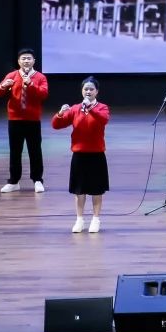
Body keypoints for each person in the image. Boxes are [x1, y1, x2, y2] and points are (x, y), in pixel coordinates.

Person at [51, 77, 110, 233]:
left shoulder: (102, 108)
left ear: (97, 91)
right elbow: (56, 125)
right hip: (79, 155)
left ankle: (96, 219)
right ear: (82, 91)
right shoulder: (75, 109)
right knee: (79, 190)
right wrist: (60, 113)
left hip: (97, 155)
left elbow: (103, 119)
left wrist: (90, 107)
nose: (88, 91)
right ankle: (79, 219)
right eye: (86, 89)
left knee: (96, 190)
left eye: (91, 89)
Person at [0, 48, 49, 193]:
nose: (26, 61)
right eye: (23, 58)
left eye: (29, 58)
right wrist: (3, 86)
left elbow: (43, 94)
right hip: (15, 119)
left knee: (35, 151)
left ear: (34, 61)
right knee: (15, 151)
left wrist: (31, 84)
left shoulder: (40, 77)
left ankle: (37, 180)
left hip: (32, 120)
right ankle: (14, 181)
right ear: (19, 61)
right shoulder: (12, 75)